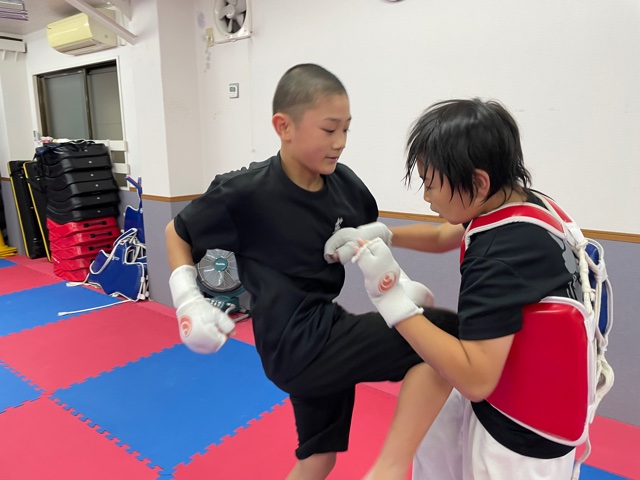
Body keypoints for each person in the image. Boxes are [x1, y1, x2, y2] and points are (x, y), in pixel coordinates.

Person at [164, 63, 458, 480]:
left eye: (346, 130)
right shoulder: (245, 192)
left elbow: (372, 240)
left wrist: (399, 281)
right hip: (292, 342)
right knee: (444, 334)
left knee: (319, 457)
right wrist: (187, 302)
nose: (340, 142)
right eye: (329, 129)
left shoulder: (345, 187)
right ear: (283, 126)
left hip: (324, 327)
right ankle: (389, 470)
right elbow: (176, 232)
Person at [326, 98, 582, 479]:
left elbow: (476, 380)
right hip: (540, 396)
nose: (426, 196)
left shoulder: (499, 255)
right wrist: (383, 234)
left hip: (521, 438)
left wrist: (390, 299)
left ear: (478, 182)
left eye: (430, 184)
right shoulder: (520, 203)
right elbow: (443, 235)